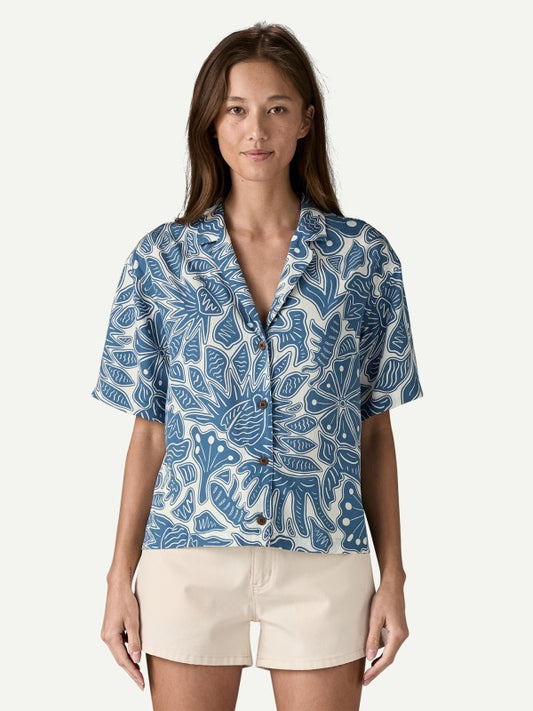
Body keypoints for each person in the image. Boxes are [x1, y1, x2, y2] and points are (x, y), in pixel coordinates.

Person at [91, 21, 424, 711]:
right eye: (236, 109)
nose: (256, 130)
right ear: (211, 123)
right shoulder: (160, 261)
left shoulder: (364, 260)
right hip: (189, 558)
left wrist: (392, 577)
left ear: (306, 121)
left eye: (276, 108)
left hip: (323, 559)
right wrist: (119, 577)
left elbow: (374, 432)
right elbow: (148, 433)